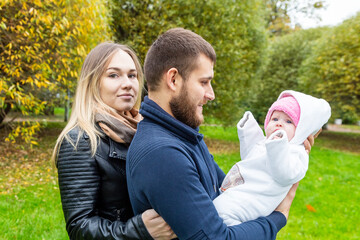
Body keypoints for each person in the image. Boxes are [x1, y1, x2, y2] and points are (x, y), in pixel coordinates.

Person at [126, 28, 315, 240]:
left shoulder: (183, 135)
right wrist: (278, 217)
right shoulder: (162, 153)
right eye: (204, 82)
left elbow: (229, 191)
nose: (211, 94)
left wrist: (277, 152)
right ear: (173, 80)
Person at [52, 42, 175, 240]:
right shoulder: (80, 141)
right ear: (93, 82)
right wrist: (141, 231)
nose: (127, 83)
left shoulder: (143, 129)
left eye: (132, 75)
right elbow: (79, 227)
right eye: (113, 75)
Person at [213, 90, 331, 226]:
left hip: (256, 199)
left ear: (301, 131)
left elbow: (285, 174)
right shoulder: (266, 142)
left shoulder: (296, 152)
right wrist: (248, 129)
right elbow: (250, 155)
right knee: (216, 211)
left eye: (288, 121)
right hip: (239, 192)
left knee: (222, 215)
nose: (279, 124)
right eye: (274, 119)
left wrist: (277, 145)